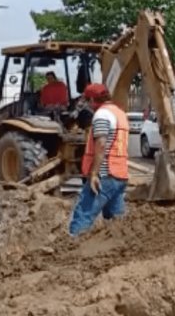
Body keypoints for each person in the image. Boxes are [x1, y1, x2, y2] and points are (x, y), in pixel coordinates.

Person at [69, 83, 129, 237]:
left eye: (87, 101)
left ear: (92, 100)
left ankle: (72, 249)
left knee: (83, 213)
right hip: (120, 174)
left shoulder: (102, 115)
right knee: (116, 220)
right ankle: (117, 249)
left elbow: (101, 145)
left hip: (105, 173)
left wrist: (94, 173)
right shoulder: (120, 113)